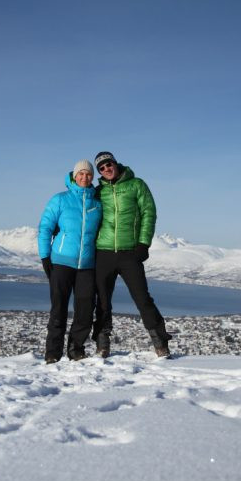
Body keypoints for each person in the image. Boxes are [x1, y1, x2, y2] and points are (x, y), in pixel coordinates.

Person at [91, 151, 172, 358]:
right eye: (101, 168)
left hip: (130, 252)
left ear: (116, 164)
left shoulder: (137, 184)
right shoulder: (99, 192)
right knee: (102, 301)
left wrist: (143, 244)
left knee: (142, 298)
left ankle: (160, 341)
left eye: (108, 164)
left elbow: (149, 212)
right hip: (104, 252)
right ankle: (102, 342)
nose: (106, 169)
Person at [38, 160, 103, 364]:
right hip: (61, 263)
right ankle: (52, 353)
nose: (85, 177)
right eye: (81, 174)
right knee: (59, 309)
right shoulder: (60, 200)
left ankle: (76, 349)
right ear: (74, 176)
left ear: (93, 177)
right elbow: (45, 228)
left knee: (85, 310)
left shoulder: (97, 203)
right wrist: (45, 257)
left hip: (87, 265)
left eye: (89, 174)